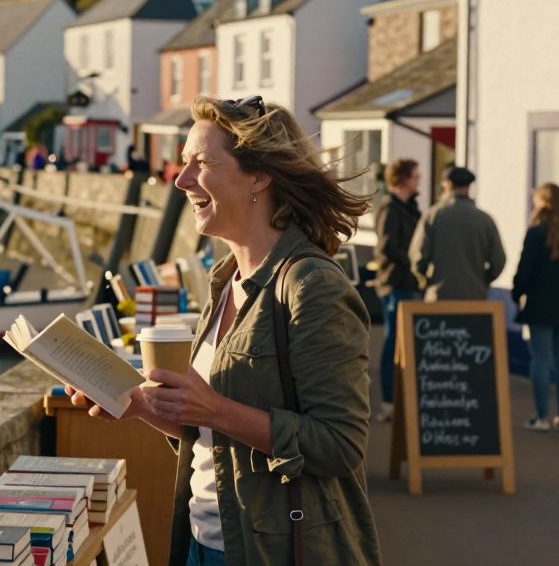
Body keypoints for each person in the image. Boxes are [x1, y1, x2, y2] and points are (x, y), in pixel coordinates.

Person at [67, 95, 380, 566]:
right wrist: (138, 405)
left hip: (274, 548)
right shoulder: (226, 281)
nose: (180, 179)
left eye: (201, 163)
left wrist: (214, 408)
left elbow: (339, 443)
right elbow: (211, 433)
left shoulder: (312, 287)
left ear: (258, 176)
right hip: (205, 537)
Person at [511, 183, 559, 431]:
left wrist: (517, 293)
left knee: (541, 359)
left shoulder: (536, 233)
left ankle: (541, 416)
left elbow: (524, 271)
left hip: (540, 304)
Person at [372, 157, 422, 423]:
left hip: (411, 284)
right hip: (396, 285)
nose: (419, 180)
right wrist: (413, 262)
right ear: (402, 178)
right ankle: (389, 402)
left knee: (407, 345)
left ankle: (403, 400)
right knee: (393, 345)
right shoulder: (390, 208)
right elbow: (387, 247)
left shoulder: (411, 207)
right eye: (415, 176)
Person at [409, 166, 506, 300]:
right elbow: (499, 261)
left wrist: (426, 281)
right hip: (474, 297)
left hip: (438, 296)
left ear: (447, 184)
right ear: (468, 187)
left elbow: (418, 258)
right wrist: (481, 280)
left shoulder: (433, 216)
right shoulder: (484, 220)